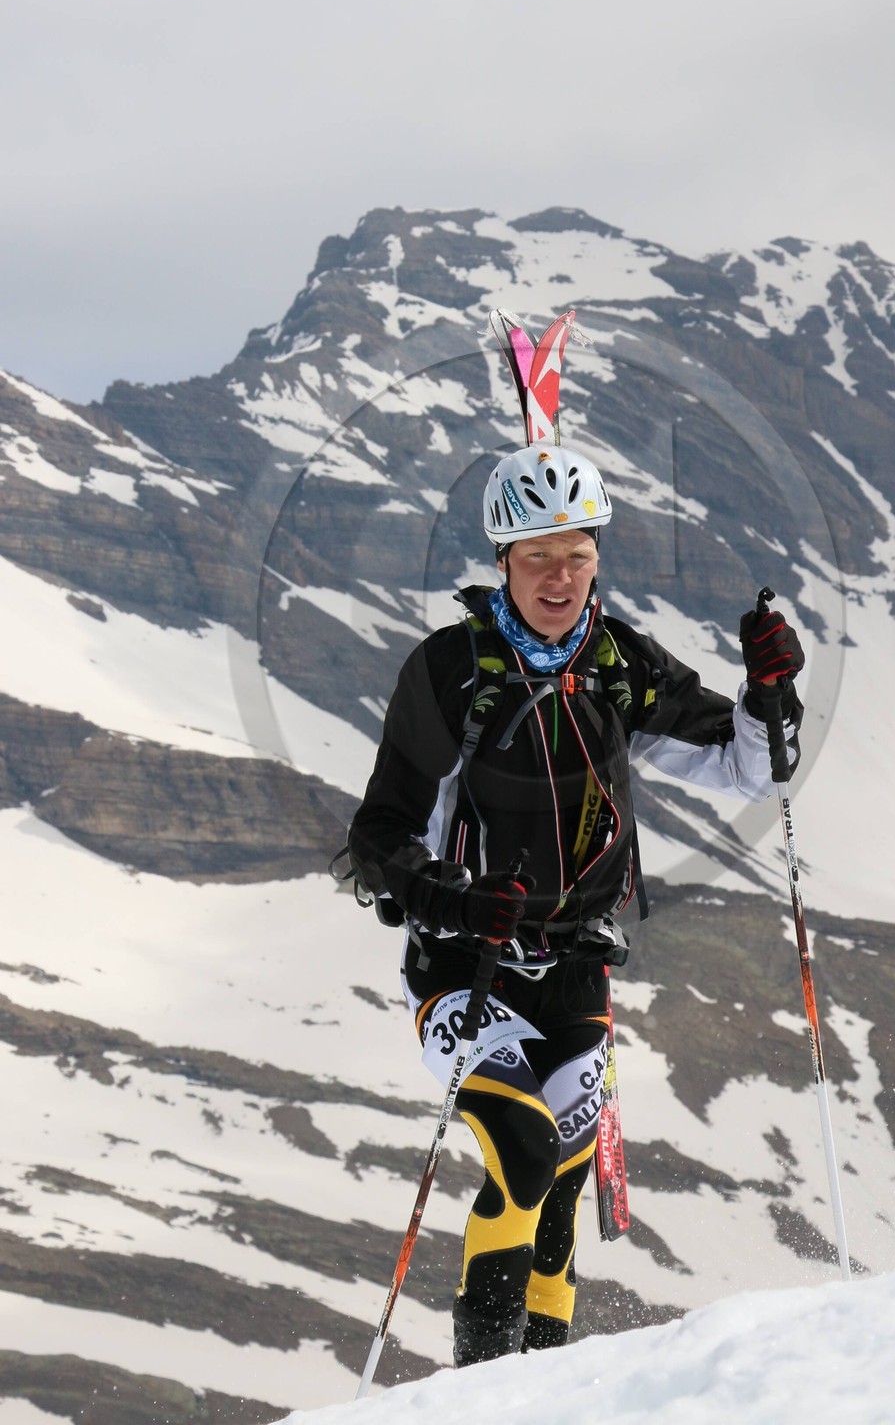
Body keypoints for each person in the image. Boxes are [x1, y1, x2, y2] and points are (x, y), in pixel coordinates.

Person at [346, 442, 804, 1367]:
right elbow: (377, 841)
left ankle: (552, 1389)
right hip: (465, 971)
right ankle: (478, 1392)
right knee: (517, 1149)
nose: (560, 577)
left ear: (598, 554)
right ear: (503, 563)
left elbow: (751, 770)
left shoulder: (618, 664)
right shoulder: (451, 671)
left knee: (556, 1194)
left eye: (577, 553)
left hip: (580, 967)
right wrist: (453, 901)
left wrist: (769, 694)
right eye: (537, 557)